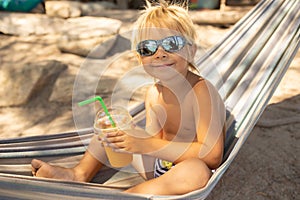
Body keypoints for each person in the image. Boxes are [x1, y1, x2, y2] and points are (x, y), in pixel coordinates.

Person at [31, 0, 226, 195]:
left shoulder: (201, 92)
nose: (160, 53)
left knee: (196, 171)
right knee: (113, 128)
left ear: (191, 51)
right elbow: (153, 141)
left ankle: (128, 195)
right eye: (148, 48)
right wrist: (130, 138)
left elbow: (212, 155)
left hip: (190, 171)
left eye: (172, 44)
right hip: (160, 170)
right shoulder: (153, 94)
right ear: (140, 59)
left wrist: (145, 144)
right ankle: (79, 174)